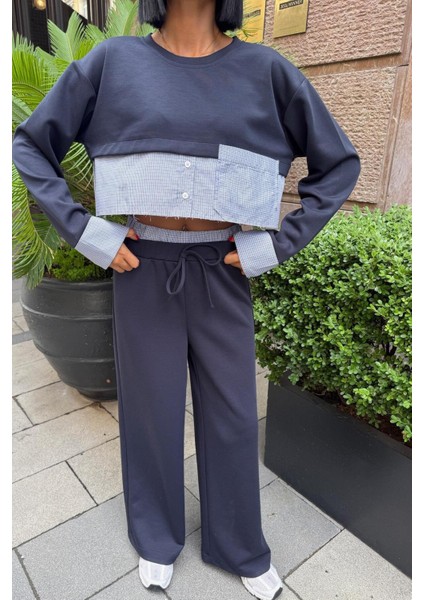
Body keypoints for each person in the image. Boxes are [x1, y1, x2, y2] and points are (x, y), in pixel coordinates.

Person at [12, 1, 361, 598]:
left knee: (233, 413)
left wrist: (276, 245)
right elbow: (30, 145)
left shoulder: (266, 71)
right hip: (142, 264)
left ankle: (239, 544)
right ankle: (155, 536)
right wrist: (89, 234)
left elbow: (338, 164)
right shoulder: (113, 62)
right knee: (150, 409)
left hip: (222, 265)